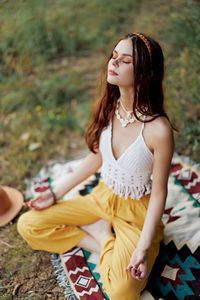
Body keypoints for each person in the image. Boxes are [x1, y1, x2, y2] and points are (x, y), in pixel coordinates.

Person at [17, 32, 175, 300]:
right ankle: (103, 237)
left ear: (144, 74)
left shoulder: (158, 130)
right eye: (114, 56)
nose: (113, 63)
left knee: (122, 292)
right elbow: (97, 157)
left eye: (125, 61)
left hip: (136, 213)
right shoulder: (110, 106)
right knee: (29, 225)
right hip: (102, 198)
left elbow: (160, 193)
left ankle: (103, 236)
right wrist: (55, 193)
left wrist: (143, 247)